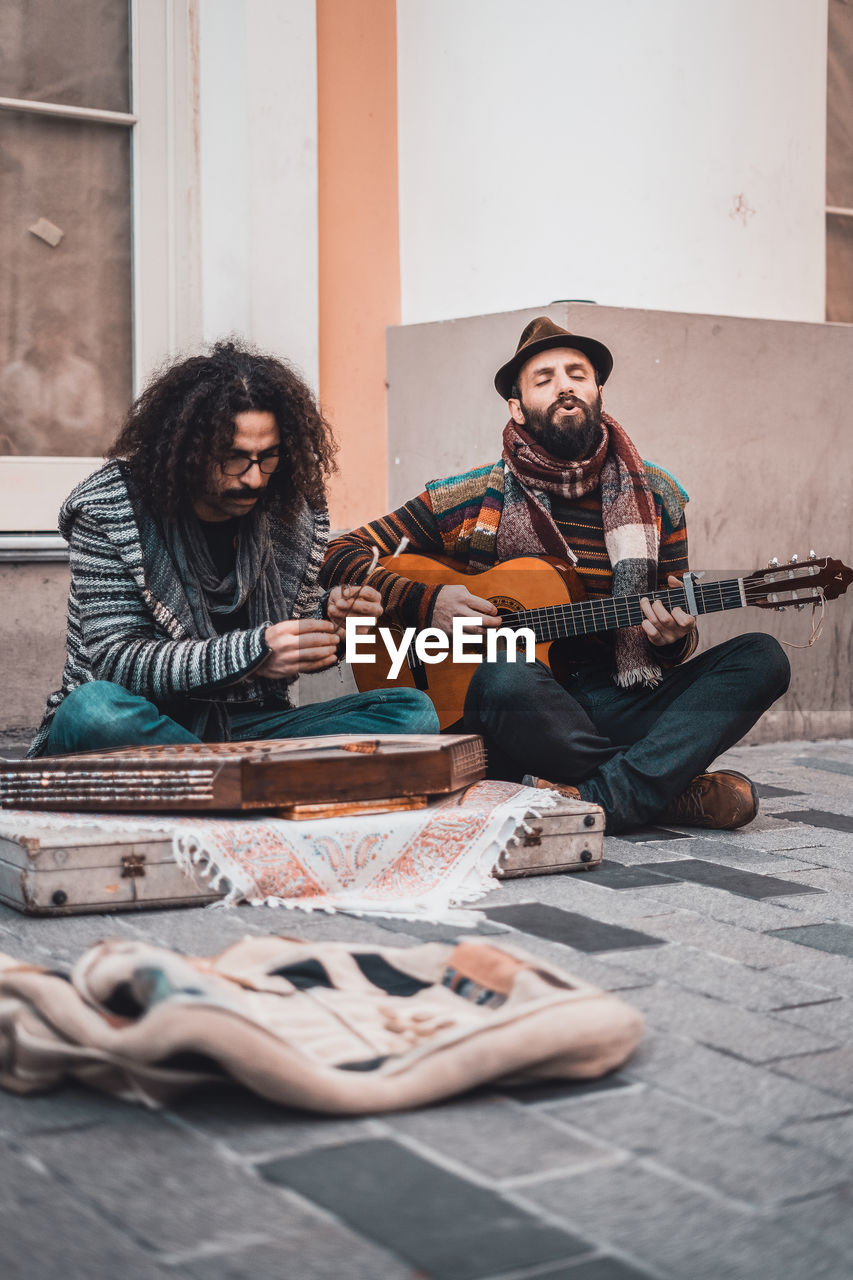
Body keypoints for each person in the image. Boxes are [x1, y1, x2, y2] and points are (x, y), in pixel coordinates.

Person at [321, 316, 791, 833]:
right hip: (522, 706)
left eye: (577, 374)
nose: (564, 385)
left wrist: (669, 639)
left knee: (761, 657)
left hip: (617, 697)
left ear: (599, 392)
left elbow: (674, 623)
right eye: (544, 378)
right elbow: (340, 552)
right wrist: (427, 604)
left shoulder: (657, 497)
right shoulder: (466, 498)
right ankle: (661, 787)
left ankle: (604, 796)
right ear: (517, 407)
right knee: (503, 673)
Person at [29, 340, 438, 758]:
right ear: (186, 451)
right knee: (93, 711)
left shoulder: (287, 508)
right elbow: (120, 661)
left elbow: (287, 629)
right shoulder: (108, 508)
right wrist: (254, 655)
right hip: (144, 722)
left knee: (411, 714)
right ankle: (252, 779)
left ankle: (221, 780)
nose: (255, 478)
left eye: (269, 457)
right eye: (235, 458)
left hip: (247, 728)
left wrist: (331, 621)